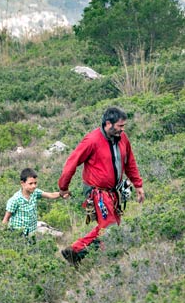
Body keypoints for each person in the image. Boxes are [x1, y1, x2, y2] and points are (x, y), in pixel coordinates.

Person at [58, 106, 145, 267]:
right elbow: (72, 162)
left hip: (115, 191)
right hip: (97, 192)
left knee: (111, 227)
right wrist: (63, 187)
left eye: (123, 126)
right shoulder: (91, 140)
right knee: (110, 228)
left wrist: (138, 184)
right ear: (107, 124)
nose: (122, 129)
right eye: (120, 126)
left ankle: (75, 252)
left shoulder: (123, 138)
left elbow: (130, 162)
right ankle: (110, 264)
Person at [2, 168, 63, 235]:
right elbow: (6, 219)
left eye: (35, 183)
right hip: (18, 233)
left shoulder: (35, 192)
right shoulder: (15, 199)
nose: (34, 186)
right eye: (30, 183)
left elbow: (50, 195)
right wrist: (3, 234)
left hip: (31, 231)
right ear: (22, 183)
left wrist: (61, 194)